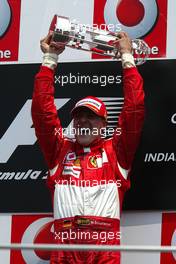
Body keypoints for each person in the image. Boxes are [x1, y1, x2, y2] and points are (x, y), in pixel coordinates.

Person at [31, 31, 145, 264]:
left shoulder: (117, 153)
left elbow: (134, 111)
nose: (83, 121)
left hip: (104, 255)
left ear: (103, 124)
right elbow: (43, 113)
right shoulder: (59, 151)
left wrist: (127, 57)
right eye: (78, 117)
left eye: (91, 117)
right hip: (64, 254)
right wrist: (50, 58)